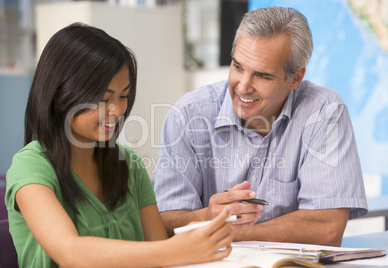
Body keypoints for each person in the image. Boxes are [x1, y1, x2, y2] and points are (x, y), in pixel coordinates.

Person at [5, 23, 233, 268]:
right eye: (103, 99)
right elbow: (70, 253)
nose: (118, 110)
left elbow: (158, 252)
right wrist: (176, 248)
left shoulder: (130, 166)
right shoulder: (31, 166)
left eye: (123, 96)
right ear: (61, 95)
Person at [154, 6, 368, 247]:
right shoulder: (188, 115)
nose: (243, 86)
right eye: (237, 67)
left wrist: (222, 233)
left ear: (295, 78)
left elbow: (326, 228)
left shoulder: (324, 111)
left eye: (262, 76)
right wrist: (206, 216)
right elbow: (163, 224)